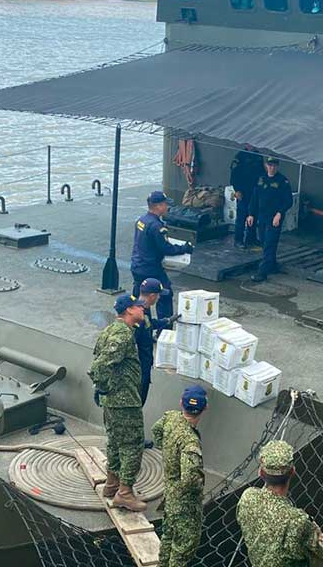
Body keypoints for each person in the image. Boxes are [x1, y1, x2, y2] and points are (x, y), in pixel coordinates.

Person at [88, 294, 149, 512]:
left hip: (113, 400)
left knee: (114, 441)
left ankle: (111, 484)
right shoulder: (122, 335)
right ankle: (125, 493)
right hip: (124, 400)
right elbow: (100, 365)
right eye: (139, 307)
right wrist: (104, 386)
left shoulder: (111, 330)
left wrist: (103, 390)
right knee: (132, 444)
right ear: (129, 310)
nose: (143, 309)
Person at [235, 440, 323, 567]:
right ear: (293, 471)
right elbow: (322, 550)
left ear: (261, 473)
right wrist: (313, 527)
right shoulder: (297, 520)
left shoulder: (248, 498)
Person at [152, 385, 208, 567]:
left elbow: (156, 431)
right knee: (183, 547)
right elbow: (191, 479)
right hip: (185, 504)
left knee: (168, 535)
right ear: (204, 408)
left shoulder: (170, 417)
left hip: (169, 492)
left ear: (180, 404)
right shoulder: (190, 442)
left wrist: (169, 455)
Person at [131, 191, 193, 324]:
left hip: (137, 266)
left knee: (140, 301)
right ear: (158, 206)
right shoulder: (156, 226)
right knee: (164, 295)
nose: (167, 207)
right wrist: (184, 248)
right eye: (165, 204)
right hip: (151, 269)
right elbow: (166, 248)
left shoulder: (141, 220)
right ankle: (164, 331)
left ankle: (143, 328)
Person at [247, 157, 292, 282]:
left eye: (274, 166)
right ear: (266, 165)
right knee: (263, 240)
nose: (272, 168)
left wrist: (279, 213)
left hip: (274, 217)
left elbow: (288, 200)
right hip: (262, 216)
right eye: (270, 165)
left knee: (270, 242)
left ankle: (262, 272)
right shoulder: (261, 179)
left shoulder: (283, 181)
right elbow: (254, 198)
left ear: (277, 167)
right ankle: (272, 265)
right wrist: (250, 214)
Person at [133, 277, 174, 409]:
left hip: (144, 365)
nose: (158, 298)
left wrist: (167, 320)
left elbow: (150, 324)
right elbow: (131, 343)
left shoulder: (143, 309)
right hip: (138, 370)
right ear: (151, 296)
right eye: (158, 295)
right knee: (137, 405)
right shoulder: (137, 317)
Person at [230, 147, 263, 249]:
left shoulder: (258, 156)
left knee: (253, 215)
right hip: (243, 191)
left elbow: (262, 173)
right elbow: (233, 175)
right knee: (241, 217)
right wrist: (237, 190)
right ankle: (238, 240)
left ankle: (251, 238)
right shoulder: (240, 156)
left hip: (255, 191)